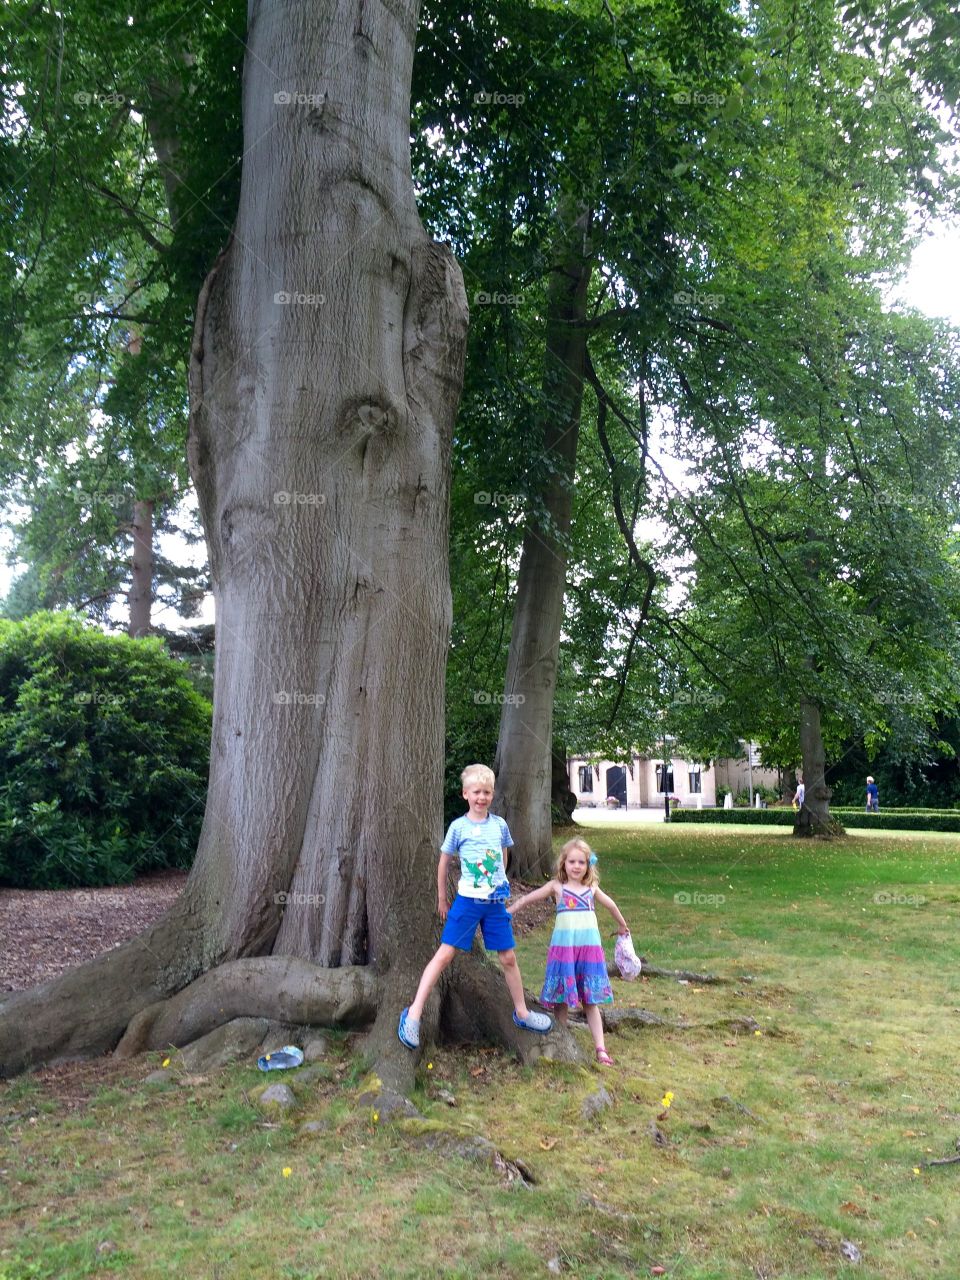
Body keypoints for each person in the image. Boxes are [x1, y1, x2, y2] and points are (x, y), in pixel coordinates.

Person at [398, 763, 553, 1050]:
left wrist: (499, 880)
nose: (482, 797)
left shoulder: (499, 825)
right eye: (477, 792)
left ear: (492, 795)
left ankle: (522, 1013)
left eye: (487, 792)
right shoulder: (458, 827)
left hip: (495, 903)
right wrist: (442, 898)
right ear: (466, 794)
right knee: (445, 955)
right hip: (467, 902)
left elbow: (504, 855)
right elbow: (444, 863)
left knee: (508, 958)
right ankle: (414, 1013)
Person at [508, 837, 629, 1066]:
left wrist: (622, 925)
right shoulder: (557, 887)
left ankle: (600, 1048)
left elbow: (611, 905)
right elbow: (528, 898)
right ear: (563, 863)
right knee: (561, 999)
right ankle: (562, 1039)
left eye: (581, 862)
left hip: (588, 951)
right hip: (564, 951)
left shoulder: (591, 889)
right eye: (571, 861)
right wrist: (511, 910)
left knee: (590, 1001)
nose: (576, 866)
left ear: (588, 865)